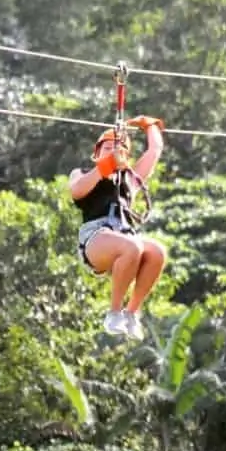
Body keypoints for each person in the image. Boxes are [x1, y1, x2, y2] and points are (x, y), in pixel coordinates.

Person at [69, 115, 166, 339]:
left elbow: (154, 151)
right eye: (108, 147)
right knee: (132, 246)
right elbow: (77, 190)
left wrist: (149, 126)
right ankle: (114, 312)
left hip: (124, 234)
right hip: (96, 237)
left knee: (156, 252)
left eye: (119, 148)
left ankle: (131, 313)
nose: (113, 150)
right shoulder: (84, 174)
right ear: (97, 153)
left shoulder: (130, 180)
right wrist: (106, 165)